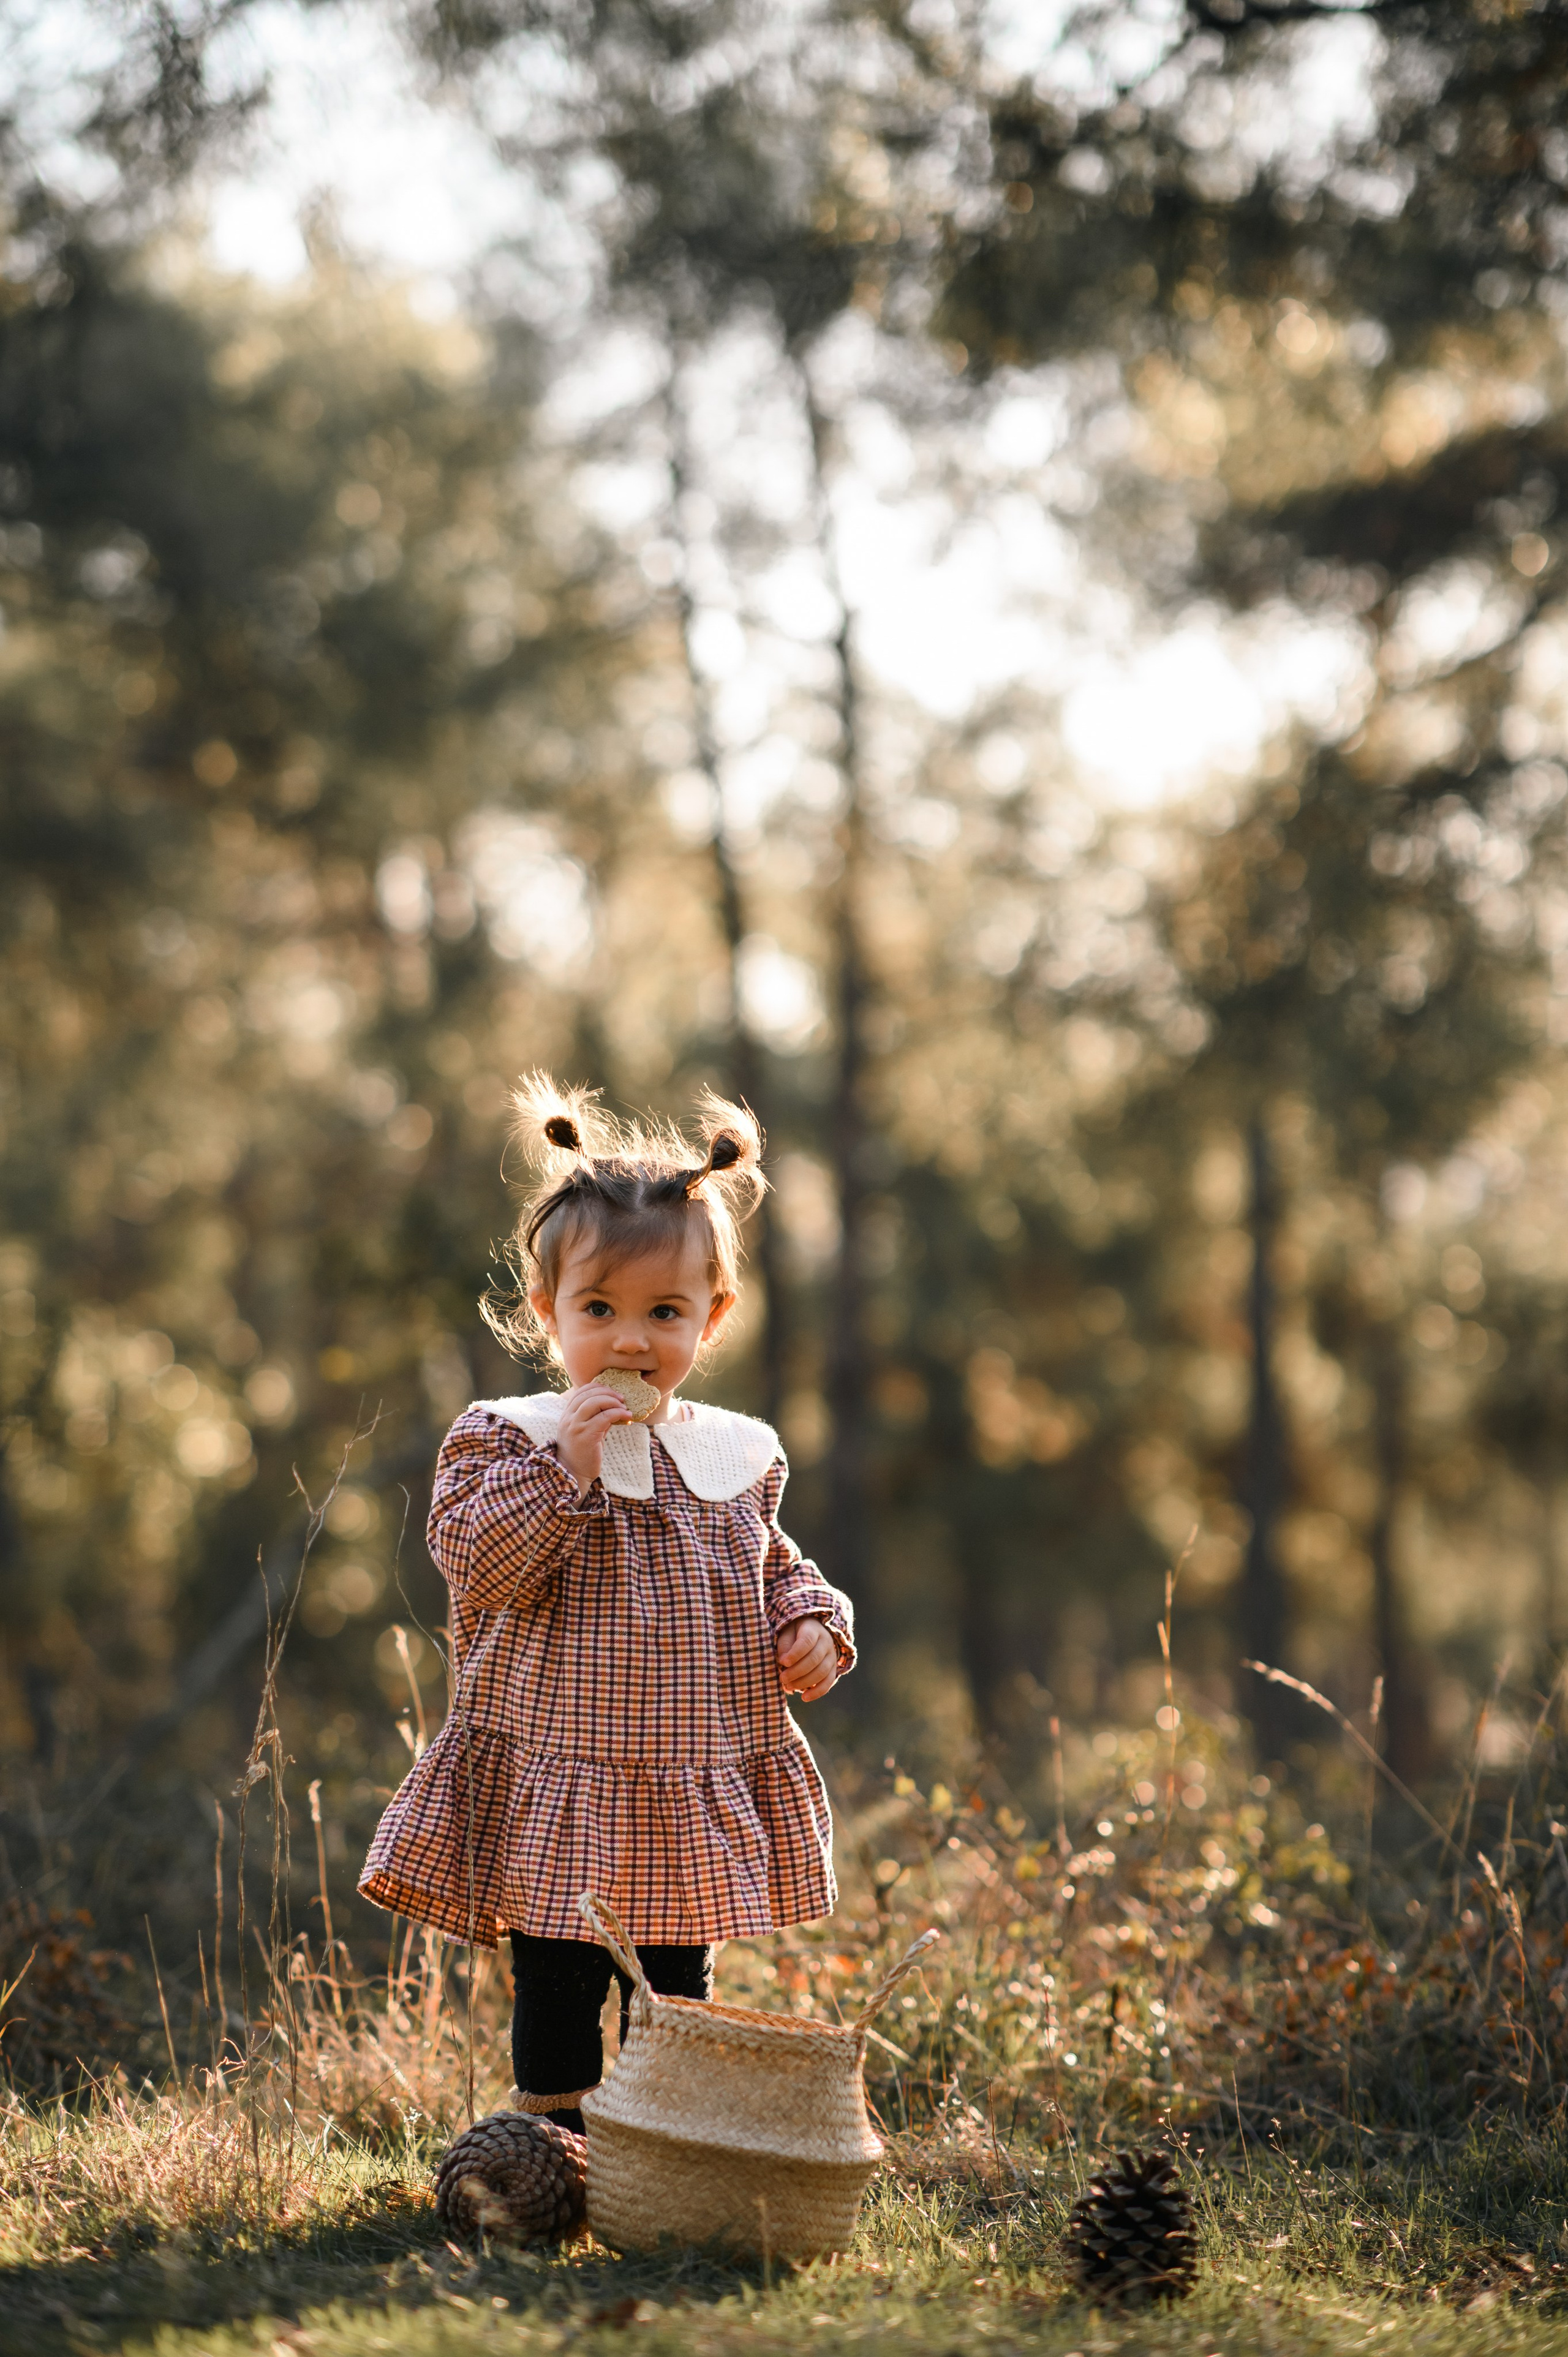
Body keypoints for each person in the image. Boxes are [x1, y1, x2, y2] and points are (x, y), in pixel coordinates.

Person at [359, 1076, 855, 2129]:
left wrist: (811, 1621)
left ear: (711, 1320)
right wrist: (566, 1474)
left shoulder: (730, 1455)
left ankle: (661, 2149)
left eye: (664, 1313)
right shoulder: (513, 1437)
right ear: (548, 1313)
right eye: (600, 1310)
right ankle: (551, 2148)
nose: (632, 1341)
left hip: (686, 1782)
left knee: (675, 1990)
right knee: (558, 1980)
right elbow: (475, 1564)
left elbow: (769, 1563)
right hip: (562, 1779)